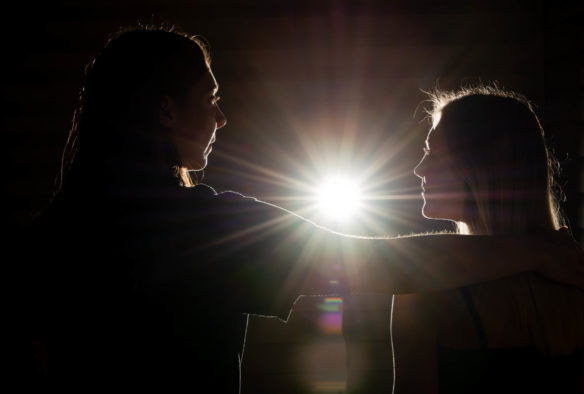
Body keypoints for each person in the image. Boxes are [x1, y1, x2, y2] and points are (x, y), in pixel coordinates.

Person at [17, 26, 582, 392]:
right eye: (210, 100)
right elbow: (363, 264)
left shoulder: (52, 234)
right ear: (166, 111)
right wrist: (537, 248)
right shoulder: (195, 224)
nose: (220, 119)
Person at [391, 85, 584, 394]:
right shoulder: (573, 280)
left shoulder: (424, 289)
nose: (419, 169)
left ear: (478, 170)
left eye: (433, 154)